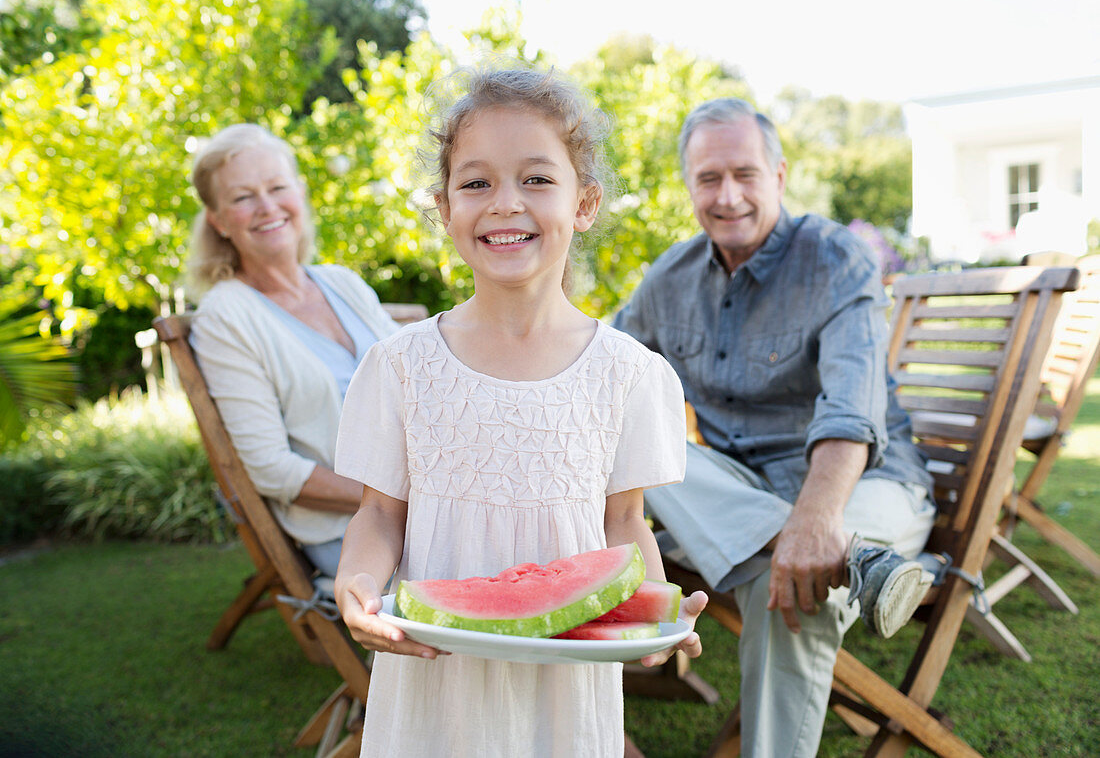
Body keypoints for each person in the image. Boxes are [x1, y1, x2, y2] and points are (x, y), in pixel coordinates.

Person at [332, 66, 707, 757]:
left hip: (563, 690)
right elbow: (380, 514)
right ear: (445, 207)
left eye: (536, 179)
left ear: (585, 202)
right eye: (476, 182)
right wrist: (356, 584)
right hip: (433, 684)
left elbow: (624, 523)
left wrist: (656, 609)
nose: (505, 203)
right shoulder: (400, 366)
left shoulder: (629, 374)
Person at [611, 98, 938, 757]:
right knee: (629, 434)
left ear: (779, 176)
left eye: (745, 174)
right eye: (709, 178)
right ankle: (861, 564)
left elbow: (853, 407)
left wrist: (817, 519)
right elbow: (601, 372)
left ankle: (837, 546)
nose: (728, 195)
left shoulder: (833, 258)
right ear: (689, 186)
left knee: (792, 588)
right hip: (743, 490)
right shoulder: (669, 278)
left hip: (868, 485)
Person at [187, 123, 401, 578]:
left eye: (278, 187)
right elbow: (271, 469)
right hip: (349, 527)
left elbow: (420, 382)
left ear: (300, 194)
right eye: (243, 197)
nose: (267, 207)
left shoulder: (342, 282)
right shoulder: (225, 316)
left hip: (423, 500)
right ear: (219, 220)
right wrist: (402, 495)